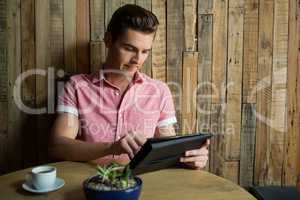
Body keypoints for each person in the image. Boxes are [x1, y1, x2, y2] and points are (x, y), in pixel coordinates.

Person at [49, 4, 209, 169]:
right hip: (90, 182)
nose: (137, 60)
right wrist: (112, 147)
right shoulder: (77, 86)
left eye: (145, 51)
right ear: (108, 40)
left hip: (142, 183)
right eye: (129, 48)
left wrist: (190, 158)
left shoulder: (159, 91)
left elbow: (167, 150)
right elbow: (57, 146)